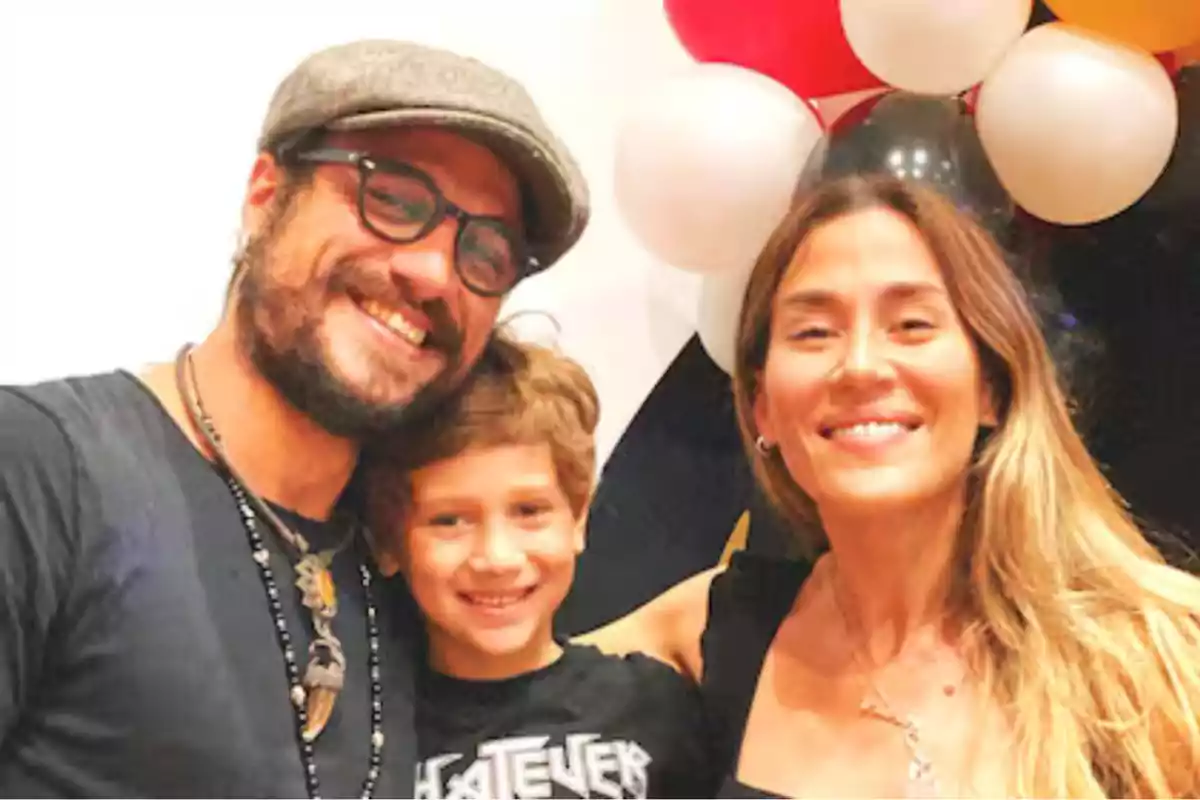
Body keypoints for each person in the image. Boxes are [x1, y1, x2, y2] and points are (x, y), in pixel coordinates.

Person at [0, 39, 589, 798]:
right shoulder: (41, 471)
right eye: (396, 199)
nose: (435, 273)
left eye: (488, 252)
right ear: (264, 194)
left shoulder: (400, 561)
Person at [582, 175, 1200, 798]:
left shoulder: (1157, 658)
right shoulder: (704, 634)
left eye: (910, 324)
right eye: (814, 333)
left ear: (991, 384)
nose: (861, 366)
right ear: (762, 406)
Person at [363, 332, 716, 799]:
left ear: (578, 519)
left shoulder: (658, 707)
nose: (497, 558)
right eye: (449, 521)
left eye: (529, 511)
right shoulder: (365, 737)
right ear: (388, 542)